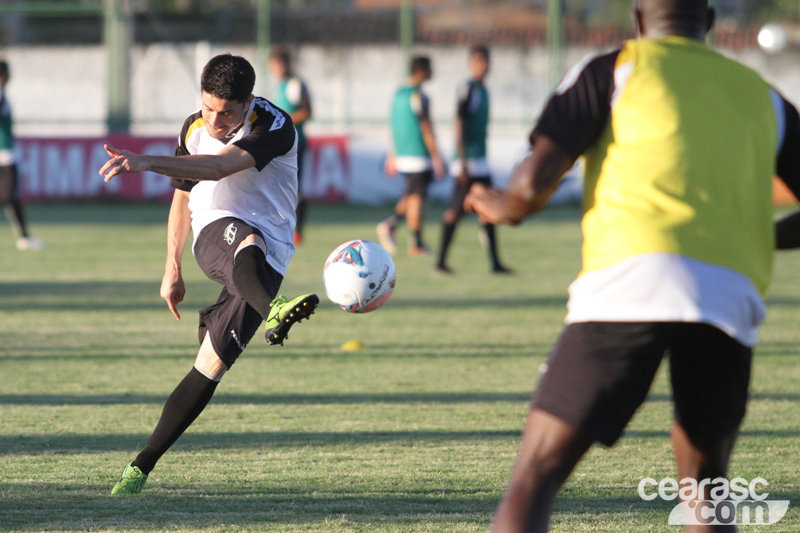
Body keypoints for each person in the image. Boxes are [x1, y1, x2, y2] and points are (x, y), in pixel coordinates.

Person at [465, 1, 800, 531]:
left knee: (535, 478)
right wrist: (757, 235)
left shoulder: (614, 69)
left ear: (638, 19)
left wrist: (495, 203)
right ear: (708, 22)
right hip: (728, 298)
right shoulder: (765, 97)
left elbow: (528, 189)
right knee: (707, 490)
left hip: (630, 282)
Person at [99, 54, 319, 495]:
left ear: (249, 102)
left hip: (272, 256)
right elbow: (184, 197)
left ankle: (138, 469)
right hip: (217, 231)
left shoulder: (274, 126)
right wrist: (172, 266)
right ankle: (274, 310)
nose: (215, 120)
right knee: (246, 239)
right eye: (207, 108)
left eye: (226, 113)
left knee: (211, 365)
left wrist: (145, 162)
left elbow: (218, 167)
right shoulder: (192, 128)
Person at [434, 45, 510, 275]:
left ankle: (495, 264)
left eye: (486, 61)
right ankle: (439, 263)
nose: (484, 65)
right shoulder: (468, 89)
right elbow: (459, 121)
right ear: (471, 64)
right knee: (454, 212)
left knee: (489, 209)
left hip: (480, 161)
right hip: (468, 161)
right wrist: (463, 160)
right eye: (479, 61)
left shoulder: (482, 89)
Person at [378, 55, 445, 257]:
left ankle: (393, 225)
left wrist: (392, 154)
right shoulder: (418, 96)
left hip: (403, 154)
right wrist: (436, 156)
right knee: (417, 198)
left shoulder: (398, 94)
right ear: (422, 70)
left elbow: (394, 126)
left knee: (412, 194)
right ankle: (413, 241)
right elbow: (426, 126)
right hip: (418, 154)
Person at [268, 46, 312, 245]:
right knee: (277, 186)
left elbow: (307, 112)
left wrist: (283, 121)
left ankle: (297, 231)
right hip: (278, 143)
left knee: (294, 188)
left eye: (278, 64)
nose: (276, 69)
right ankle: (279, 226)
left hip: (295, 142)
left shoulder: (295, 84)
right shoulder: (280, 85)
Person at [0, 60, 44, 251]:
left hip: (7, 154)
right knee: (8, 196)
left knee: (11, 197)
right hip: (5, 155)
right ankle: (24, 237)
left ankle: (24, 236)